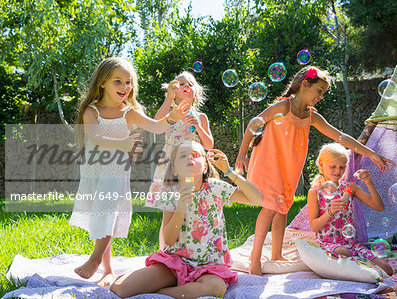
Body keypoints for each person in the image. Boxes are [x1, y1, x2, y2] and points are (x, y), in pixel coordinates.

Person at [235, 66, 395, 275]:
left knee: (283, 207)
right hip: (269, 162)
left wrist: (372, 154)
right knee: (271, 206)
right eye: (319, 91)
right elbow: (254, 123)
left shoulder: (311, 116)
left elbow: (341, 137)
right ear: (305, 84)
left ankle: (275, 255)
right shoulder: (283, 107)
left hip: (289, 165)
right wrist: (241, 154)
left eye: (323, 93)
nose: (321, 96)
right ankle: (254, 259)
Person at [69, 57, 189, 286]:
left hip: (116, 171)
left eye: (128, 82)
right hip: (94, 170)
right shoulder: (91, 111)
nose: (125, 87)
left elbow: (156, 126)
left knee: (108, 211)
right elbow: (95, 137)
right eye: (118, 82)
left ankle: (94, 260)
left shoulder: (129, 112)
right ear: (102, 82)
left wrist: (171, 118)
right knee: (100, 217)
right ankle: (108, 269)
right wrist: (123, 143)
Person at [110, 140, 263, 298]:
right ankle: (179, 286)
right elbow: (169, 239)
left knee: (217, 288)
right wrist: (181, 207)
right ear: (175, 169)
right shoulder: (171, 194)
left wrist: (229, 171)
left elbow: (257, 199)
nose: (190, 157)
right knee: (120, 288)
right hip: (175, 263)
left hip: (209, 267)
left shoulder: (215, 188)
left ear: (204, 166)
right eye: (183, 155)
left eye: (195, 155)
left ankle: (163, 292)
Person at [147, 71, 214, 248]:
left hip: (193, 169)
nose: (185, 86)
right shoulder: (171, 114)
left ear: (196, 93)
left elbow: (208, 145)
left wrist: (199, 127)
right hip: (172, 168)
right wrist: (168, 99)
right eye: (180, 84)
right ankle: (164, 251)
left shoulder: (200, 117)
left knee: (194, 210)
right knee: (169, 210)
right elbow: (156, 124)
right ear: (174, 90)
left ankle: (190, 249)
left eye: (190, 84)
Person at [307, 143, 393, 275]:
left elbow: (379, 207)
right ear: (321, 164)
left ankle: (358, 268)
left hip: (351, 244)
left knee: (387, 269)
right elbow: (314, 227)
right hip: (328, 245)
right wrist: (329, 212)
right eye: (333, 166)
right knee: (342, 253)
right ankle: (359, 270)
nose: (338, 171)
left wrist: (369, 183)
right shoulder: (315, 192)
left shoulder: (349, 188)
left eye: (342, 167)